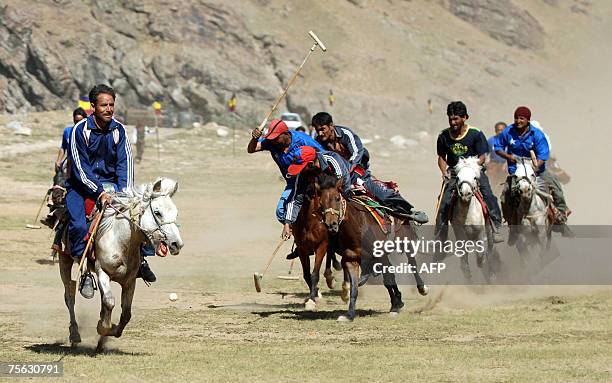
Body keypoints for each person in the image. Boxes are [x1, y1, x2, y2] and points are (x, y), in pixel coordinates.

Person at [67, 84, 155, 299]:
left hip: (114, 186)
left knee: (138, 219)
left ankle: (141, 260)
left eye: (111, 105)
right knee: (79, 225)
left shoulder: (119, 130)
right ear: (93, 107)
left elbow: (126, 164)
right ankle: (86, 271)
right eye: (104, 105)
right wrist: (99, 192)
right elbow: (80, 168)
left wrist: (125, 194)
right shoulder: (80, 131)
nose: (108, 109)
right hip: (82, 187)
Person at [311, 112, 427, 223]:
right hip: (336, 179)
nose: (320, 133)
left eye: (322, 129)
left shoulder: (346, 134)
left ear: (331, 126)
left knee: (382, 194)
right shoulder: (318, 143)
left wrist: (349, 170)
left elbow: (357, 152)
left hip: (358, 173)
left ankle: (409, 212)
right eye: (317, 130)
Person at [494, 106, 571, 236]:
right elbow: (498, 146)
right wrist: (508, 157)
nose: (518, 121)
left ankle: (561, 216)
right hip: (516, 171)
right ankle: (511, 226)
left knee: (556, 187)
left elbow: (543, 155)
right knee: (505, 196)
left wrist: (535, 167)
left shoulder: (537, 134)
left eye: (521, 118)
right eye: (516, 118)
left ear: (528, 120)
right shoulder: (508, 131)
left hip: (537, 170)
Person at [435, 101, 504, 243]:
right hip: (454, 174)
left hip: (474, 172)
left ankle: (496, 227)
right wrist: (444, 173)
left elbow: (482, 157)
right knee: (443, 203)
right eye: (450, 118)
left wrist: (472, 167)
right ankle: (440, 239)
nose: (453, 122)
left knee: (489, 196)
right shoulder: (443, 136)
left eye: (456, 119)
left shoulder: (475, 134)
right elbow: (441, 157)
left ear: (465, 117)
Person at [247, 118, 323, 240]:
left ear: (286, 134)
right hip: (293, 183)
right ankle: (300, 237)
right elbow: (251, 149)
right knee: (281, 212)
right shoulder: (271, 142)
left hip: (311, 181)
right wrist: (255, 138)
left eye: (276, 138)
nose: (273, 141)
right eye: (272, 139)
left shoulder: (303, 139)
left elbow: (324, 154)